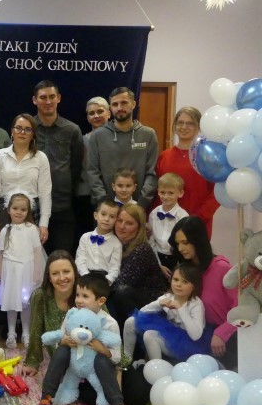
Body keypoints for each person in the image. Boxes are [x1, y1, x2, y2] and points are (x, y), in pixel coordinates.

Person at [34, 273, 133, 405]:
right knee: (62, 351)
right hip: (74, 366)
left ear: (100, 301)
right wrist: (64, 341)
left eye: (85, 296)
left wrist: (103, 350)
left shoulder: (109, 323)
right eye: (78, 295)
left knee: (101, 361)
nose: (79, 300)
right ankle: (46, 398)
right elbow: (60, 336)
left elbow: (116, 358)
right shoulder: (72, 314)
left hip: (96, 371)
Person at [169, 216, 237, 370]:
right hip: (193, 333)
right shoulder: (185, 270)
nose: (180, 248)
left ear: (198, 240)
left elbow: (240, 306)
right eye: (178, 243)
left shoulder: (222, 268)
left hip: (223, 339)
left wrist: (221, 333)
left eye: (185, 242)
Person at [32, 80, 84, 255]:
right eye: (43, 97)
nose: (48, 101)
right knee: (35, 260)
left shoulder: (72, 130)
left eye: (52, 97)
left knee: (61, 257)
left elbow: (76, 167)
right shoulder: (27, 128)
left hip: (62, 207)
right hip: (33, 208)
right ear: (34, 100)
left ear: (59, 98)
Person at [87, 87, 159, 209]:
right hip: (106, 210)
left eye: (124, 103)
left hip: (138, 209)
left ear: (133, 104)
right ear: (110, 108)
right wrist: (106, 203)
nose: (119, 108)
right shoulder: (98, 136)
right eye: (115, 104)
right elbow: (92, 173)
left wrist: (140, 204)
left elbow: (152, 174)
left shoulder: (148, 135)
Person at [123, 263, 210, 363]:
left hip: (187, 344)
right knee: (131, 321)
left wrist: (181, 309)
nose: (178, 284)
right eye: (176, 279)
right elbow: (141, 313)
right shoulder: (169, 296)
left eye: (185, 282)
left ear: (194, 286)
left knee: (149, 335)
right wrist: (158, 303)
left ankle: (157, 368)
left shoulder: (196, 304)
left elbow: (195, 336)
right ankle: (126, 360)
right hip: (169, 332)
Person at [156, 106, 219, 238]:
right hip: (165, 226)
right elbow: (158, 193)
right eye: (180, 122)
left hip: (197, 225)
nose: (184, 127)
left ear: (199, 127)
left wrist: (198, 218)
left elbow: (216, 193)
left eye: (190, 123)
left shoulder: (206, 158)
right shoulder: (164, 156)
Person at [0, 191, 47, 349]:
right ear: (8, 210)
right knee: (11, 302)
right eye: (15, 208)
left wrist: (37, 273)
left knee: (25, 303)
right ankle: (11, 333)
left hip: (26, 270)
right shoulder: (5, 230)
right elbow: (1, 253)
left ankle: (26, 333)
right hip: (10, 271)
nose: (19, 212)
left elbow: (37, 252)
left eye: (23, 209)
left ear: (28, 211)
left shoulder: (32, 229)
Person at [0, 113, 51, 245]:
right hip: (5, 211)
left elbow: (45, 192)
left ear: (33, 134)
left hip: (31, 212)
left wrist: (44, 224)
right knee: (5, 251)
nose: (22, 132)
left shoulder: (41, 158)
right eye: (18, 128)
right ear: (12, 131)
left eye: (27, 129)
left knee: (29, 252)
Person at [106, 204, 168, 332]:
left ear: (139, 228)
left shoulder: (141, 250)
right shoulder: (114, 243)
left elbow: (121, 283)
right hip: (129, 297)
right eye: (119, 220)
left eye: (129, 223)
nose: (122, 226)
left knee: (119, 292)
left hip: (151, 303)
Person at [19, 250, 77, 377]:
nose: (62, 278)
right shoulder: (40, 296)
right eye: (55, 273)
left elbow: (107, 325)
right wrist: (32, 362)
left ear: (74, 272)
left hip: (87, 356)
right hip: (59, 359)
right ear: (49, 278)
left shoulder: (86, 293)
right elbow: (35, 331)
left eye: (66, 271)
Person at [75, 97, 111, 240]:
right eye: (91, 113)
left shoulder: (118, 138)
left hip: (111, 195)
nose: (96, 116)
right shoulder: (83, 140)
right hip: (87, 197)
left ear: (109, 113)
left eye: (100, 111)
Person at [148, 172, 188, 276]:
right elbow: (151, 240)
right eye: (162, 192)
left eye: (171, 193)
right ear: (158, 192)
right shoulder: (153, 214)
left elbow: (184, 244)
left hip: (176, 259)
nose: (166, 196)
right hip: (156, 258)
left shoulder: (183, 216)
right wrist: (158, 264)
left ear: (180, 193)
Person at [75, 198, 122, 284]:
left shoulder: (116, 243)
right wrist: (86, 277)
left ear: (116, 220)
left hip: (105, 281)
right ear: (95, 215)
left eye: (112, 216)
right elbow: (80, 260)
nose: (107, 219)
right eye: (103, 214)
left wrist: (105, 282)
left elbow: (115, 268)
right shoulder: (85, 238)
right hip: (85, 279)